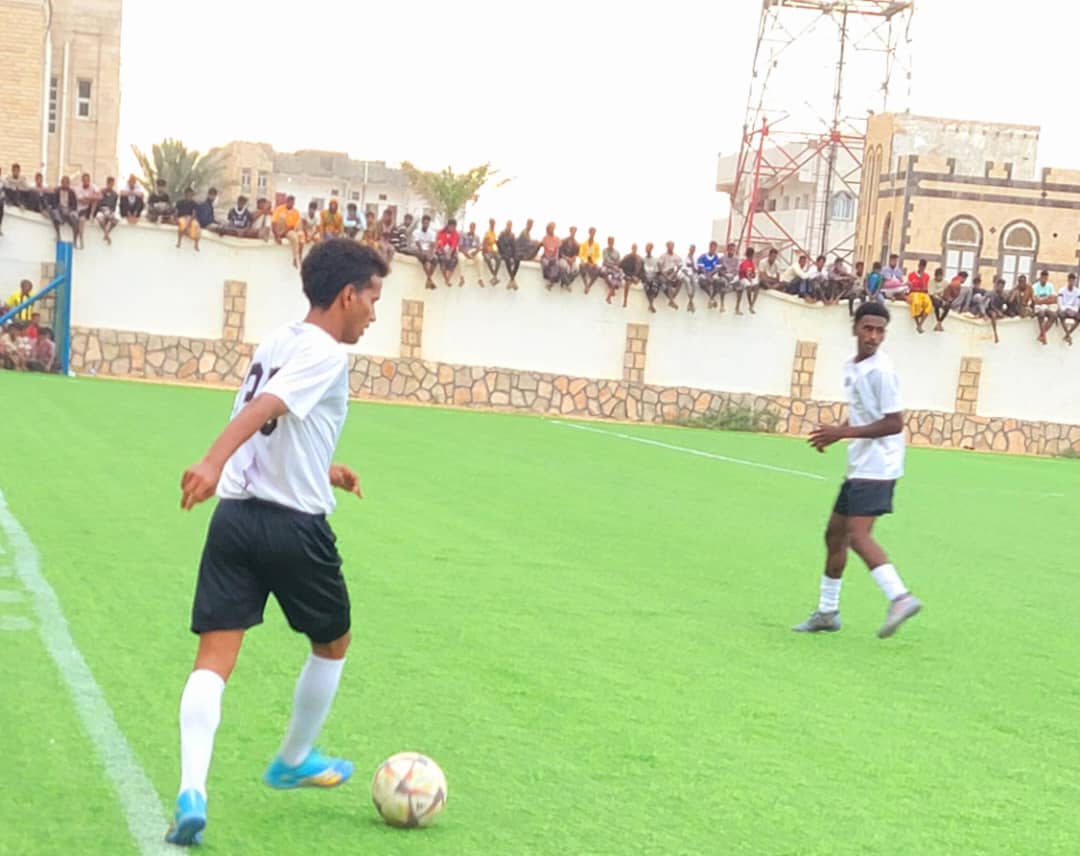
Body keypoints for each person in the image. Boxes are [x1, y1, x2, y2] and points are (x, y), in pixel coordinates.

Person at [166, 239, 387, 847]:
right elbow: (268, 405)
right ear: (347, 295)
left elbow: (275, 424)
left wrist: (325, 469)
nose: (374, 313)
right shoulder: (327, 354)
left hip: (235, 520)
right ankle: (293, 758)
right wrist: (211, 460)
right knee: (333, 642)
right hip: (293, 528)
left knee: (213, 660)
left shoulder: (276, 342)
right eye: (373, 299)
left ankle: (192, 792)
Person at [794, 301, 922, 639]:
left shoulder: (882, 372)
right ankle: (827, 612)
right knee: (834, 535)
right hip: (861, 464)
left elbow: (894, 423)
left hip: (880, 465)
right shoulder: (853, 367)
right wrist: (838, 433)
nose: (873, 336)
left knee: (856, 535)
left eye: (880, 331)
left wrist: (843, 433)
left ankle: (900, 597)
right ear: (855, 328)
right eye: (868, 328)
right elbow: (864, 411)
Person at [272, 196, 303, 267]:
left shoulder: (296, 212)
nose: (291, 204)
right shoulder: (279, 209)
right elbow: (273, 223)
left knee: (295, 237)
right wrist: (277, 235)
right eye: (289, 202)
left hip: (288, 231)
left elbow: (291, 227)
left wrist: (282, 234)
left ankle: (295, 258)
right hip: (279, 229)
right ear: (287, 202)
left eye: (292, 203)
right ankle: (277, 237)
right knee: (282, 216)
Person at [906, 259, 932, 334]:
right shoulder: (911, 275)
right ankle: (917, 324)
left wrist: (922, 279)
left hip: (923, 294)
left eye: (924, 267)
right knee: (916, 303)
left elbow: (925, 288)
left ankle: (920, 324)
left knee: (929, 305)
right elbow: (910, 287)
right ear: (919, 266)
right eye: (921, 266)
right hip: (914, 293)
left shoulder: (926, 276)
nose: (922, 268)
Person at [96, 177, 120, 245]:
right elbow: (98, 204)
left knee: (116, 219)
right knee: (100, 219)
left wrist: (111, 211)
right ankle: (106, 234)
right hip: (101, 210)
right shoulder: (102, 192)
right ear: (107, 183)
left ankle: (106, 234)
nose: (110, 185)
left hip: (110, 211)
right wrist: (103, 210)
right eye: (109, 183)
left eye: (112, 184)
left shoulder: (115, 194)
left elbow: (114, 206)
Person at [1057, 273, 1080, 345]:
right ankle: (1068, 335)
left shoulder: (1078, 291)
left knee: (1079, 317)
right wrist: (1066, 309)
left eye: (1073, 281)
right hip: (1064, 309)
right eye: (1070, 281)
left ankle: (1067, 334)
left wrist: (1071, 310)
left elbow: (1077, 305)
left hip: (1073, 310)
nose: (1071, 283)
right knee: (1061, 315)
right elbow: (1060, 304)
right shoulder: (1062, 290)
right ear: (1068, 280)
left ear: (1075, 281)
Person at [481, 218, 502, 286]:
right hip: (486, 251)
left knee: (499, 258)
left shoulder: (494, 233)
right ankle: (494, 276)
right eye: (492, 224)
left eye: (494, 224)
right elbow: (483, 244)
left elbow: (495, 242)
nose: (493, 225)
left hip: (492, 251)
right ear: (490, 224)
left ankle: (494, 276)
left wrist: (498, 250)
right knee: (488, 259)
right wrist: (487, 249)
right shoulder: (487, 233)